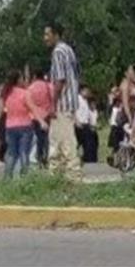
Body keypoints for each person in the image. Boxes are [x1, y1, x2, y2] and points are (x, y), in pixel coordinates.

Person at [45, 23, 82, 175]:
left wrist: (53, 104)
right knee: (56, 139)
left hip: (62, 103)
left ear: (56, 35)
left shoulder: (58, 52)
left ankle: (72, 174)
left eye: (48, 34)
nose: (45, 38)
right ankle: (56, 173)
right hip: (70, 101)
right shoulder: (68, 50)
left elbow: (60, 80)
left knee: (65, 141)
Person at [0, 71, 47, 179]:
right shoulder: (25, 93)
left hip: (10, 126)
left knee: (11, 153)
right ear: (18, 80)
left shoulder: (5, 93)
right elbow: (32, 108)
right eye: (22, 78)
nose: (24, 80)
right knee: (24, 152)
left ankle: (8, 176)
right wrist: (41, 121)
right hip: (25, 126)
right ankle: (24, 177)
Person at [27, 71, 54, 167]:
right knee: (46, 137)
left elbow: (28, 102)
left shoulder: (30, 87)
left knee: (37, 137)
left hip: (34, 116)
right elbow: (53, 98)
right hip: (46, 115)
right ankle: (45, 157)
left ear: (34, 76)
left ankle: (38, 156)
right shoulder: (49, 86)